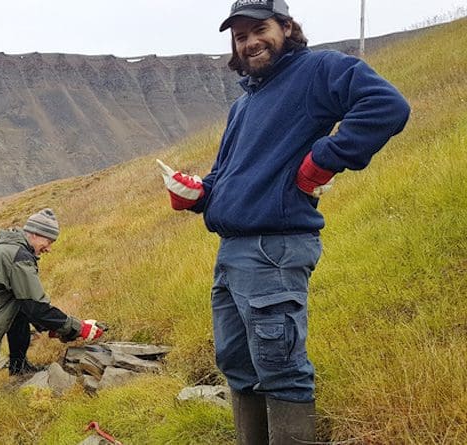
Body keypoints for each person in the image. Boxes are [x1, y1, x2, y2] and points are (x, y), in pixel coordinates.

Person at [159, 0, 410, 443]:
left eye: (260, 29)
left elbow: (387, 106)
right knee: (237, 365)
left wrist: (322, 161)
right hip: (233, 253)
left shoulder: (319, 70)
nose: (250, 42)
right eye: (240, 36)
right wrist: (199, 194)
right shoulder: (244, 105)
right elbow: (227, 173)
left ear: (287, 28)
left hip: (273, 251)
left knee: (281, 369)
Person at [0, 208, 105, 445]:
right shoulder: (18, 256)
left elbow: (26, 303)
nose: (50, 248)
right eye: (48, 240)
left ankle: (18, 366)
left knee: (19, 311)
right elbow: (38, 307)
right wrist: (78, 328)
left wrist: (55, 328)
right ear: (34, 234)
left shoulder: (15, 249)